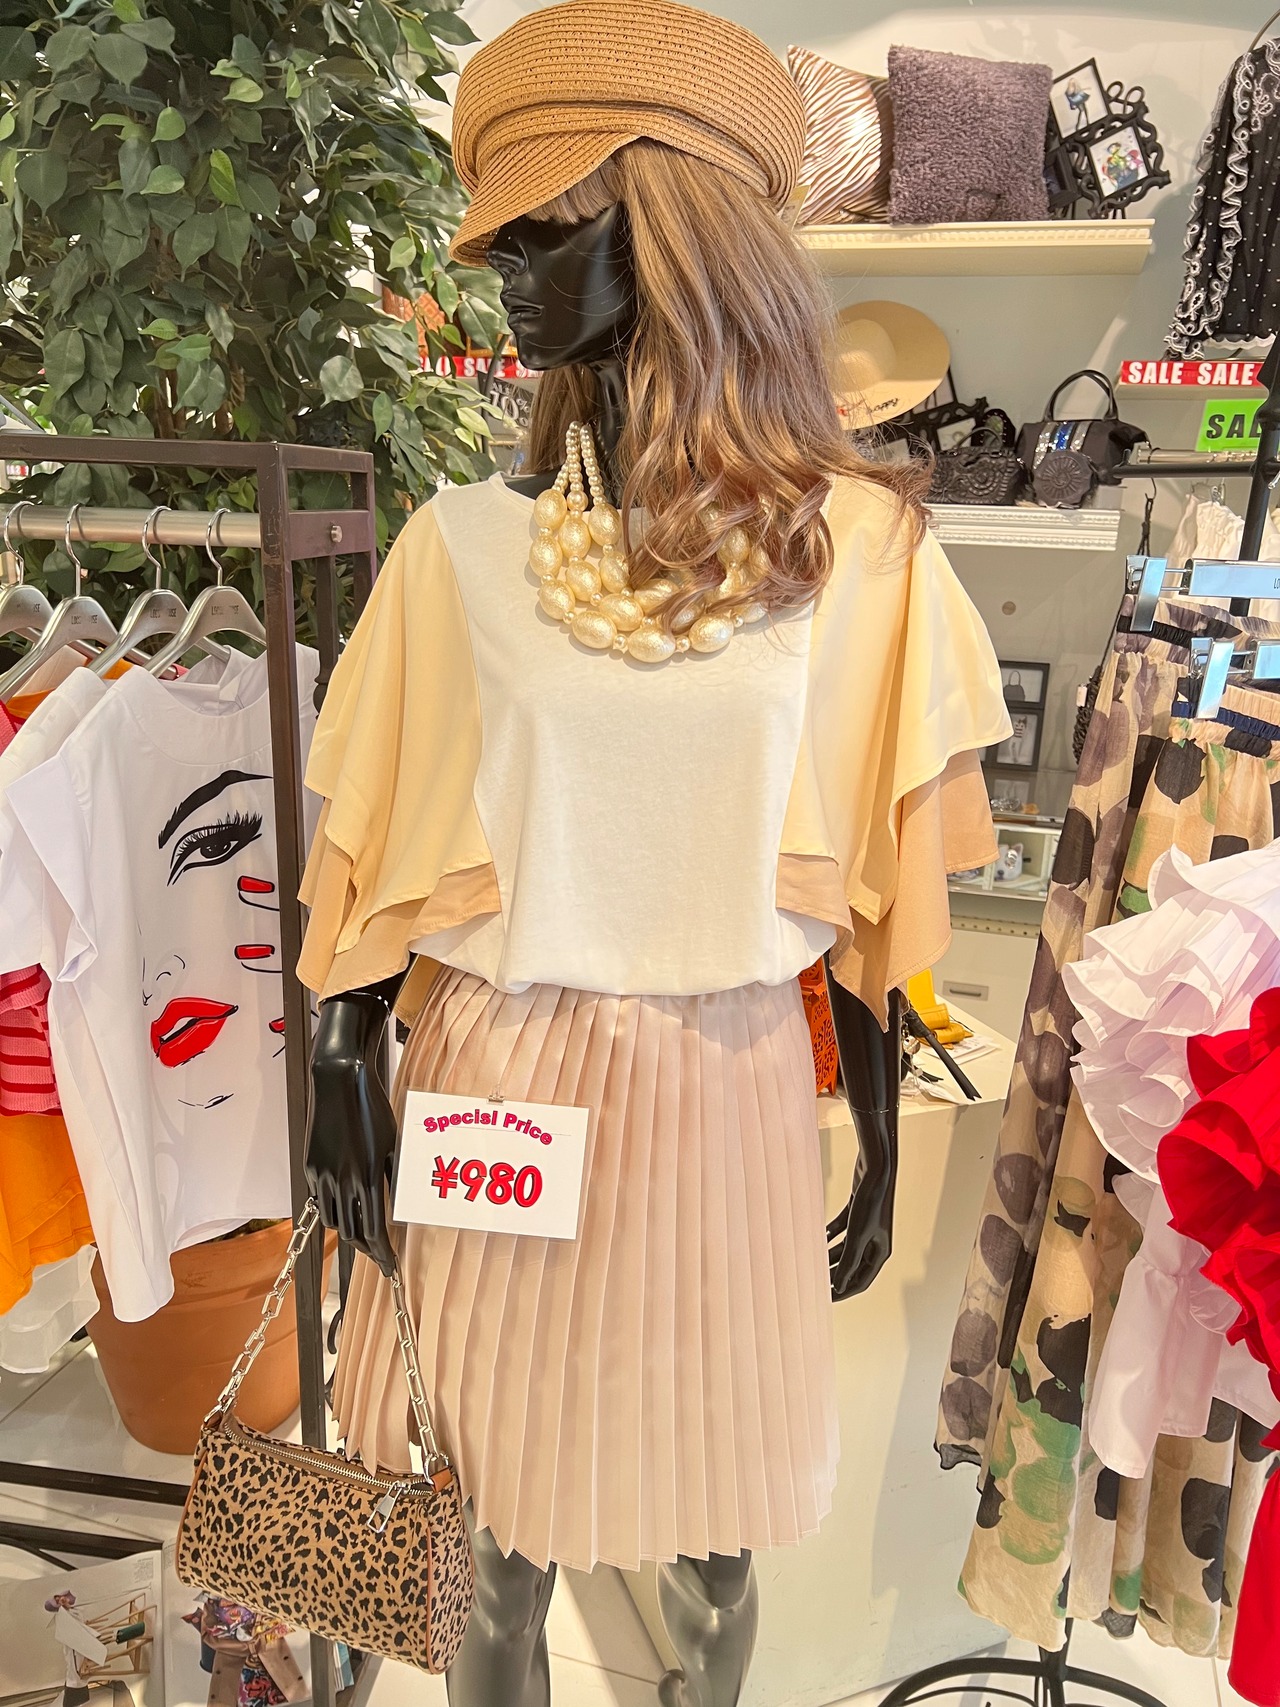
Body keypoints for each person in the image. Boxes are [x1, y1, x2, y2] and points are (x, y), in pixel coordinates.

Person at [299, 4, 1009, 1702]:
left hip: (729, 1086)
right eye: (505, 230)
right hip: (498, 1076)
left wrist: (880, 1128)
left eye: (556, 223)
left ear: (682, 233)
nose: (507, 269)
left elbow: (871, 898)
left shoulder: (863, 556)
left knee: (713, 1538)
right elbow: (381, 861)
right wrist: (336, 1062)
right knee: (483, 1526)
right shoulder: (462, 548)